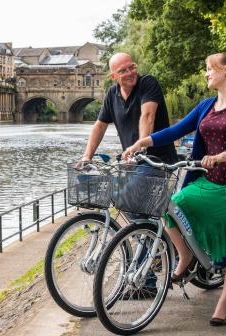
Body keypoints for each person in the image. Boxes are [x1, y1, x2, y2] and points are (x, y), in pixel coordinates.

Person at [122, 52, 226, 326]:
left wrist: (222, 156)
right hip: (208, 181)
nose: (205, 73)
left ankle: (224, 303)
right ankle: (187, 254)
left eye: (209, 69)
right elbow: (176, 130)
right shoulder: (206, 106)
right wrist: (141, 143)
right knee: (172, 208)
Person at [80, 52, 178, 298]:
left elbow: (147, 116)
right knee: (134, 214)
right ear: (114, 76)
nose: (129, 73)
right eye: (122, 71)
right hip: (133, 163)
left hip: (156, 160)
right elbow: (99, 126)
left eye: (131, 67)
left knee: (130, 203)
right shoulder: (112, 95)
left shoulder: (148, 83)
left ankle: (149, 274)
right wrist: (86, 157)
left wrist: (141, 149)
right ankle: (155, 255)